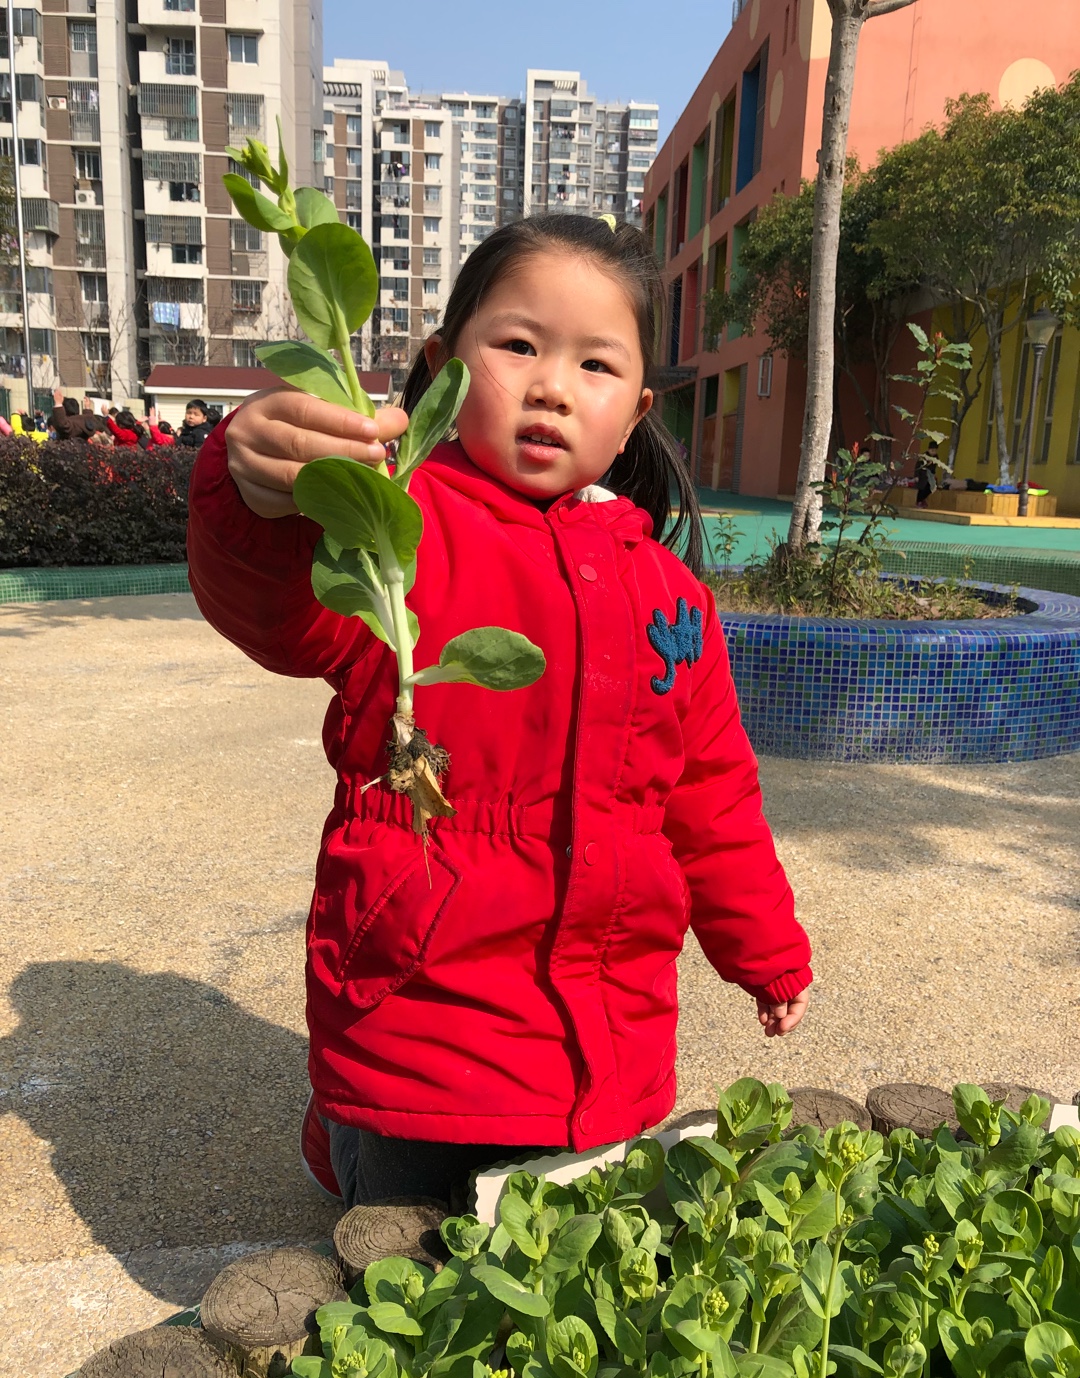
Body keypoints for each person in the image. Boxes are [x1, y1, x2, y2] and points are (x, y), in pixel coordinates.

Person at [186, 213, 812, 1209]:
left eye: (596, 365)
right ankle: (346, 1140)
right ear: (443, 367)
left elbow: (713, 798)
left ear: (636, 410)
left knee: (580, 1243)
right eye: (519, 345)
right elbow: (283, 619)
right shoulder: (397, 523)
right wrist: (255, 499)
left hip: (606, 1035)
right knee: (410, 1245)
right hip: (420, 1025)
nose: (553, 386)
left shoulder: (672, 598)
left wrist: (766, 949)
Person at [914, 440, 940, 507]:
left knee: (930, 488)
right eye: (932, 450)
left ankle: (922, 499)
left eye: (935, 451)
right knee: (922, 488)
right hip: (922, 475)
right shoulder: (923, 456)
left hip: (930, 476)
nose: (933, 452)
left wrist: (933, 475)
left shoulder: (936, 457)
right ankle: (919, 501)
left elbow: (934, 467)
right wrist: (916, 476)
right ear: (928, 449)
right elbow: (917, 466)